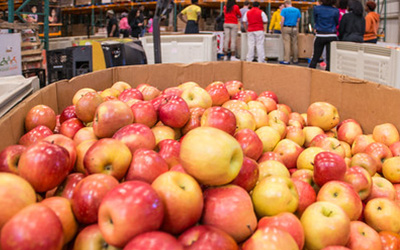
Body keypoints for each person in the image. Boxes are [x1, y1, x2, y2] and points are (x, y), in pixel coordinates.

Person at [309, 0, 339, 71]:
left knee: (315, 56)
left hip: (320, 34)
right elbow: (336, 22)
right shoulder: (335, 11)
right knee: (330, 59)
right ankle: (327, 75)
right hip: (331, 35)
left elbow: (315, 20)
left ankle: (310, 73)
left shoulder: (316, 8)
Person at [280, 0, 301, 64]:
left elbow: (282, 20)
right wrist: (296, 28)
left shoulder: (284, 10)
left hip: (286, 27)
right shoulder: (297, 10)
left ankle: (287, 60)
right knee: (294, 44)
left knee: (287, 44)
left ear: (286, 4)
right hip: (294, 28)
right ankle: (295, 59)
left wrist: (281, 28)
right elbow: (298, 20)